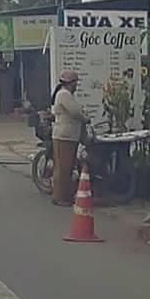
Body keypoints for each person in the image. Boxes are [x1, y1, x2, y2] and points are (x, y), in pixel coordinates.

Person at [50, 69, 89, 206]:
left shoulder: (66, 95)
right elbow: (75, 112)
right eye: (75, 83)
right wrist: (85, 118)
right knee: (63, 169)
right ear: (70, 83)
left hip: (69, 136)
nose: (76, 86)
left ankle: (65, 196)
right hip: (64, 136)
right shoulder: (64, 95)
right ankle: (59, 197)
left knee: (67, 168)